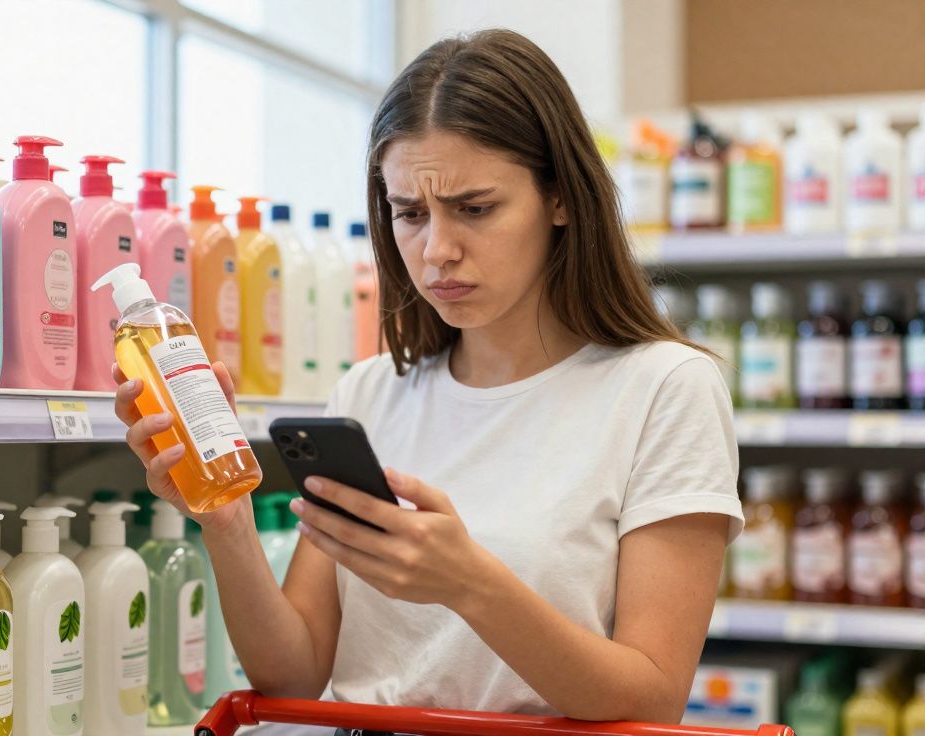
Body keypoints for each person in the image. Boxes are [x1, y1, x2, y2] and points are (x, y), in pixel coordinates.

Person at [112, 28, 741, 728]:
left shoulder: (664, 389)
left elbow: (651, 696)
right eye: (409, 213)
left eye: (475, 209)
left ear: (560, 198)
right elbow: (293, 671)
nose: (437, 250)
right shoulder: (369, 394)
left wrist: (470, 585)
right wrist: (223, 521)